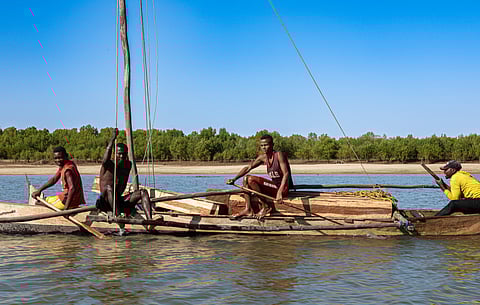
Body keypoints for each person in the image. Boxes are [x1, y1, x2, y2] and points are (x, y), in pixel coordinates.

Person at [226, 134, 294, 219]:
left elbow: (286, 173)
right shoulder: (263, 157)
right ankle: (248, 209)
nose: (264, 147)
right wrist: (234, 179)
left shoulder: (279, 155)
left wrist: (280, 192)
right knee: (246, 180)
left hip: (282, 189)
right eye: (262, 145)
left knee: (250, 179)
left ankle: (265, 207)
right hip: (273, 187)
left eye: (266, 145)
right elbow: (248, 168)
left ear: (272, 145)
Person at [96, 129, 152, 223]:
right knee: (110, 188)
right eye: (119, 154)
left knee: (143, 192)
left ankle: (150, 220)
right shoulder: (108, 165)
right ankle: (118, 216)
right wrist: (112, 139)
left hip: (119, 201)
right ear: (115, 154)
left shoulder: (127, 165)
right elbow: (105, 158)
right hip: (105, 203)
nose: (122, 156)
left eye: (124, 154)